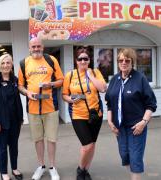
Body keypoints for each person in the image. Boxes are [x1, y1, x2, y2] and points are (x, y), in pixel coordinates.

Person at [105, 48, 157, 180]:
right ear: (117, 62)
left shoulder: (140, 79)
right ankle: (136, 169)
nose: (123, 63)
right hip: (120, 127)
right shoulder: (115, 79)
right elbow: (109, 102)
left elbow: (151, 104)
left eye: (127, 60)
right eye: (121, 60)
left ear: (132, 62)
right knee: (125, 155)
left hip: (136, 128)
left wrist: (143, 122)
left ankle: (136, 170)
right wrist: (110, 122)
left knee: (135, 158)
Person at [18, 38, 64, 180]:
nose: (36, 48)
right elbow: (20, 85)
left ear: (42, 47)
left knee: (51, 139)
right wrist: (27, 93)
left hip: (50, 107)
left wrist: (50, 84)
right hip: (32, 109)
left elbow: (61, 80)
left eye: (38, 46)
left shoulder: (51, 60)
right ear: (29, 48)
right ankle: (41, 166)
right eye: (33, 46)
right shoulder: (23, 63)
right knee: (38, 139)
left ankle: (52, 167)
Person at [62, 47, 107, 180]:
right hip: (78, 115)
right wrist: (71, 99)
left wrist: (91, 76)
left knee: (92, 144)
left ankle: (86, 170)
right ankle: (80, 169)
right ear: (76, 61)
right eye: (80, 59)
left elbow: (103, 88)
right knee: (87, 145)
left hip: (95, 114)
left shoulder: (95, 72)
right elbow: (64, 95)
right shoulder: (70, 75)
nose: (83, 61)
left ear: (89, 60)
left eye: (85, 59)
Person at [0, 54, 23, 180]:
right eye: (3, 63)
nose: (6, 65)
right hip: (1, 122)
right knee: (2, 148)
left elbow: (17, 100)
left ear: (12, 64)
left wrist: (20, 118)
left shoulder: (14, 79)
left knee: (14, 146)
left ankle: (14, 168)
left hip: (15, 120)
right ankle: (4, 172)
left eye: (8, 63)